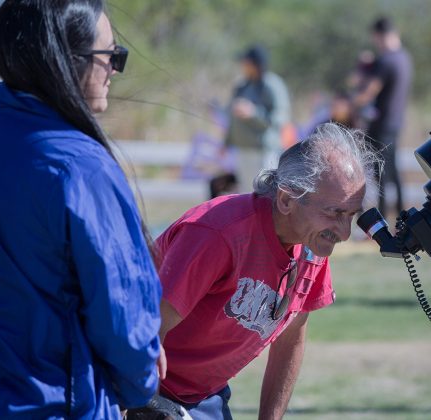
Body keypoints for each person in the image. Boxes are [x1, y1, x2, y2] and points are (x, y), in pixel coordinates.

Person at [0, 1, 161, 418]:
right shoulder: (81, 166)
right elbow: (122, 316)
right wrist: (140, 387)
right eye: (111, 56)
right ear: (64, 62)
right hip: (47, 402)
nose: (114, 70)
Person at [147, 123, 381, 419]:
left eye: (350, 215)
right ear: (286, 200)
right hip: (130, 380)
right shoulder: (217, 234)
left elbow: (291, 336)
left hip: (203, 395)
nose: (345, 232)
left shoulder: (311, 245)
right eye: (334, 213)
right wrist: (142, 405)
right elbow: (147, 327)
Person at [352, 16, 413, 218]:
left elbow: (368, 93)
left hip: (381, 125)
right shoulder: (404, 58)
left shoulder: (386, 61)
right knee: (393, 173)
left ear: (378, 36)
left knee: (381, 174)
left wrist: (352, 99)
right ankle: (403, 218)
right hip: (395, 122)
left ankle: (384, 221)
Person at [224, 45, 291, 193]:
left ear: (256, 63)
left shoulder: (272, 85)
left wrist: (254, 113)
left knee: (264, 193)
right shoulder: (242, 85)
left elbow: (280, 118)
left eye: (246, 62)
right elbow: (232, 119)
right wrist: (226, 143)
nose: (243, 66)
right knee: (246, 194)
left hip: (264, 152)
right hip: (242, 150)